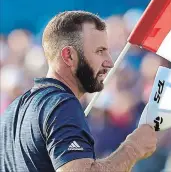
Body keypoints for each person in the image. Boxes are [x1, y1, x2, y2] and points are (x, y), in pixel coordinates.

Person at [0, 11, 157, 172]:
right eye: (99, 51)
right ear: (68, 56)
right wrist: (133, 148)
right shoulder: (61, 104)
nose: (109, 62)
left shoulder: (12, 111)